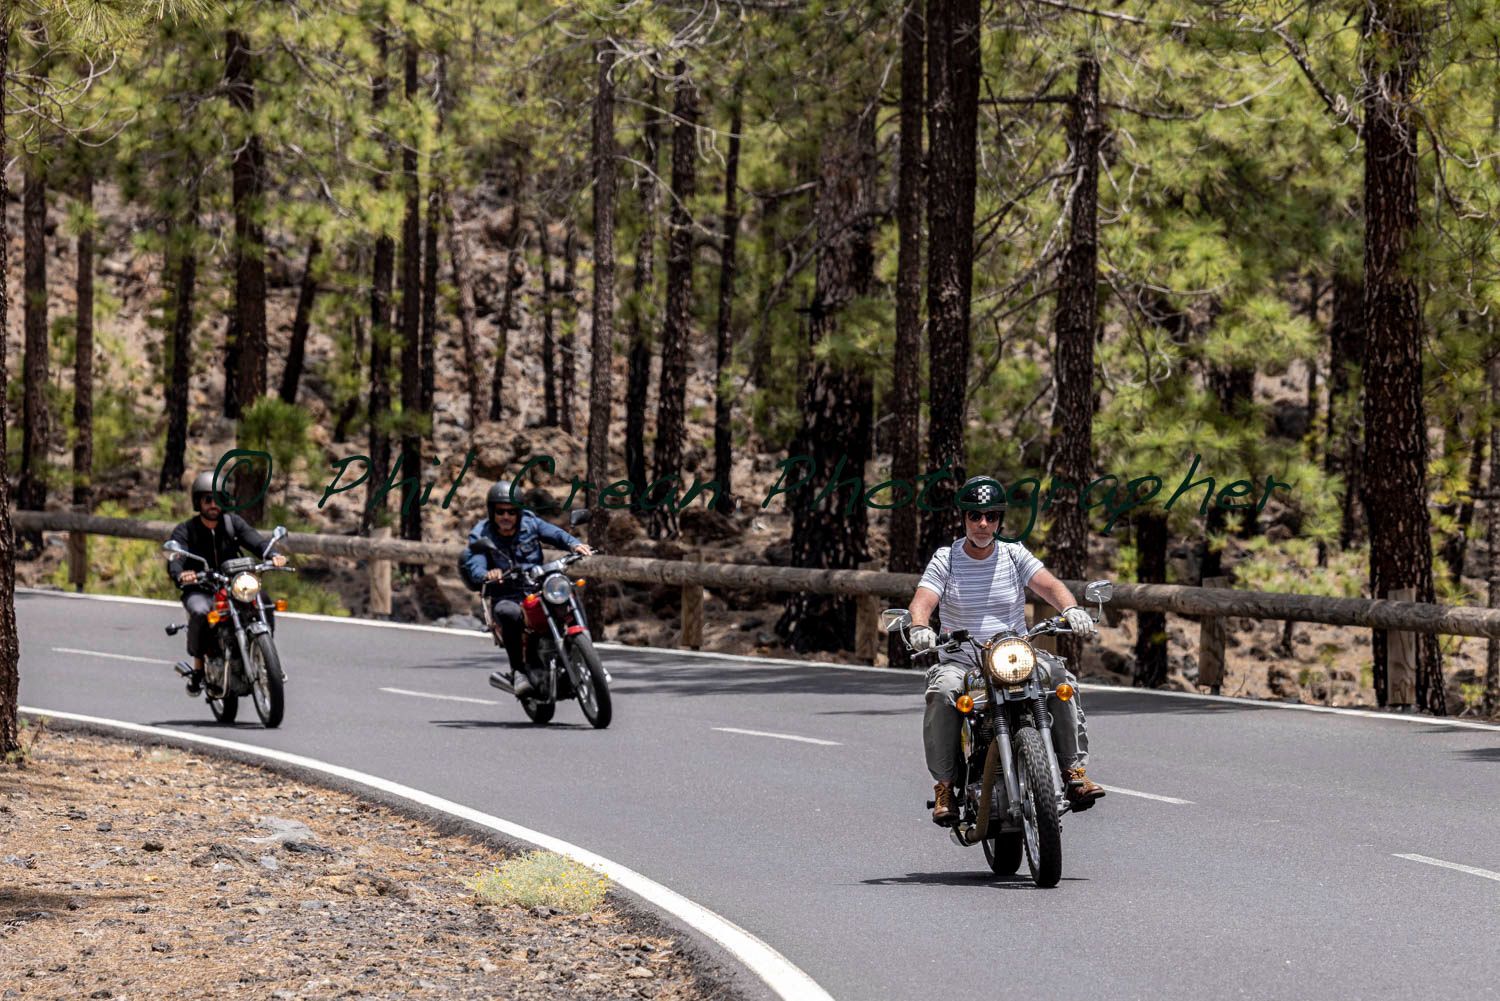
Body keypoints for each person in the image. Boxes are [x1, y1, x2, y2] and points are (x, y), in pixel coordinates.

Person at [908, 475, 1105, 825]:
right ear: (964, 518)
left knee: (1059, 678)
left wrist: (1070, 609)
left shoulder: (1014, 554)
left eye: (992, 516)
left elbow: (1049, 585)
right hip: (962, 658)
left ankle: (1073, 772)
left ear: (1000, 519)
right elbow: (923, 601)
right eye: (975, 516)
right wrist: (921, 627)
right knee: (941, 692)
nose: (983, 524)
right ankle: (945, 785)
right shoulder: (946, 559)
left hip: (1013, 656)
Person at [461, 480, 593, 699]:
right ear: (492, 511)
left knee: (566, 591)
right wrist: (487, 574)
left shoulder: (530, 523)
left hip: (537, 586)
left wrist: (573, 544)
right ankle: (518, 671)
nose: (506, 516)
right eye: (501, 511)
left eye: (512, 512)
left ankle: (586, 654)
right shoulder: (481, 533)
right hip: (507, 593)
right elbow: (474, 563)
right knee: (507, 612)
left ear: (519, 512)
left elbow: (554, 533)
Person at [167, 471, 286, 695]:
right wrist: (181, 574)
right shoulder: (186, 530)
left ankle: (267, 659)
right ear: (198, 502)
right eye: (208, 499)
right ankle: (199, 669)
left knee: (263, 600)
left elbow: (256, 541)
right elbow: (176, 557)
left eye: (218, 499)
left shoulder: (233, 524)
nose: (214, 504)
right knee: (201, 612)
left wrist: (272, 555)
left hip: (233, 585)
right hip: (201, 588)